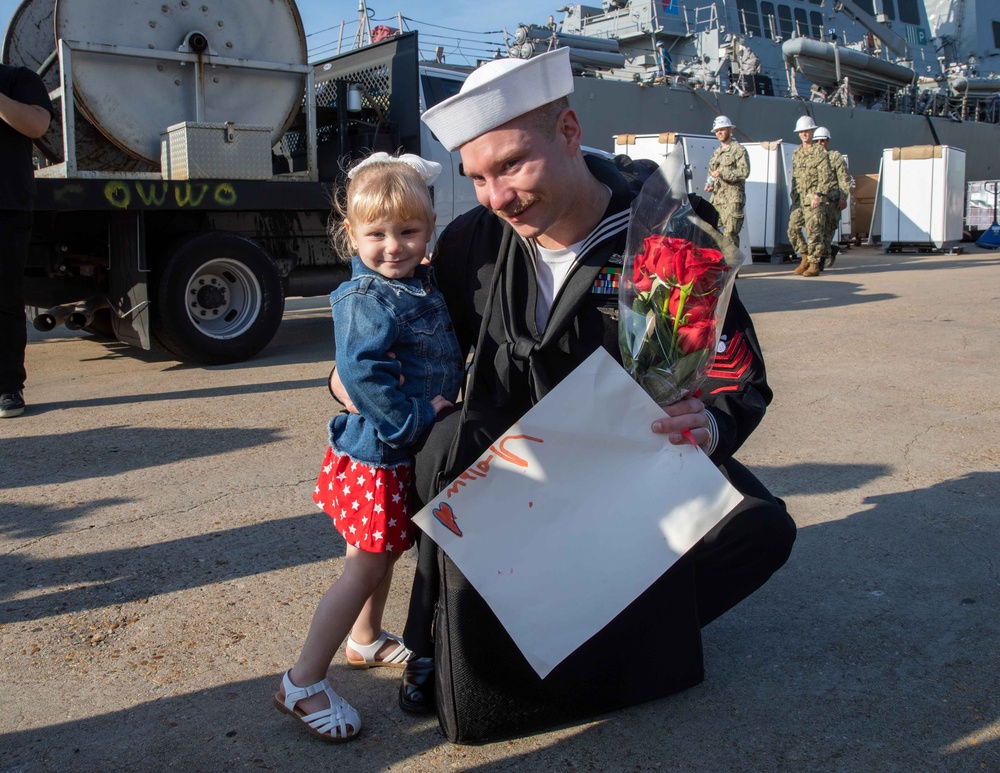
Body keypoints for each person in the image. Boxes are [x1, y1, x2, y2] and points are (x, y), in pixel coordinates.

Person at [331, 48, 796, 715]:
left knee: (756, 529)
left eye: (513, 164)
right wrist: (343, 376)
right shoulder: (472, 244)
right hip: (514, 478)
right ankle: (438, 630)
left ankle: (614, 622)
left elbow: (732, 371)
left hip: (626, 475)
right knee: (437, 441)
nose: (497, 197)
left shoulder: (667, 238)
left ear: (570, 133)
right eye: (478, 176)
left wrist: (713, 423)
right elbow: (416, 344)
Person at [274, 153, 464, 742]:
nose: (392, 246)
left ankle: (364, 640)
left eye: (407, 231)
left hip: (391, 454)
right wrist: (414, 420)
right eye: (376, 234)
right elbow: (361, 376)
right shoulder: (368, 297)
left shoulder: (415, 283)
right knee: (365, 564)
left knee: (379, 553)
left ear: (429, 227)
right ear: (349, 234)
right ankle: (301, 681)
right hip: (381, 454)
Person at [1, 63, 53, 418]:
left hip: (6, 205)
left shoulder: (17, 78)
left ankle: (7, 386)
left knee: (2, 298)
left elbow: (36, 124)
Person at [787, 115, 837, 277]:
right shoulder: (796, 153)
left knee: (814, 231)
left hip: (814, 199)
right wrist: (793, 197)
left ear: (812, 131)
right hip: (799, 200)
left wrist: (818, 195)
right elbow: (795, 177)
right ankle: (805, 257)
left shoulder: (819, 152)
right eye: (801, 132)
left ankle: (814, 264)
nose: (803, 134)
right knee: (793, 229)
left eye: (806, 131)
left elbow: (826, 176)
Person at [704, 115, 750, 247]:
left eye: (722, 130)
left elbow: (744, 172)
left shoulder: (739, 150)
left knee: (730, 233)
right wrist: (709, 184)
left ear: (730, 130)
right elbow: (711, 172)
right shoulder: (716, 153)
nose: (719, 133)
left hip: (732, 199)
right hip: (717, 199)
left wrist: (723, 174)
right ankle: (719, 262)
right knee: (711, 230)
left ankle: (732, 265)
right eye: (717, 131)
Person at [813, 126, 851, 267]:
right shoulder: (812, 159)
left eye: (822, 141)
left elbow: (843, 179)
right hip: (817, 200)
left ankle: (823, 257)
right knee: (816, 230)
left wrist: (843, 197)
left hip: (832, 201)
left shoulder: (835, 158)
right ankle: (822, 256)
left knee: (827, 231)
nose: (820, 144)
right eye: (817, 141)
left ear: (828, 141)